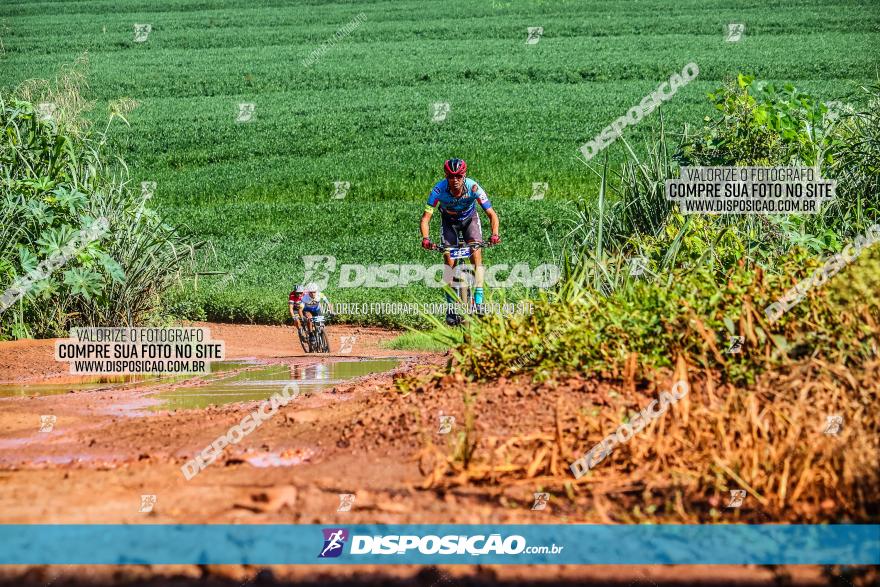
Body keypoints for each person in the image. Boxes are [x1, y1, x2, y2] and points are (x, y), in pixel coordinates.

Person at [419, 158, 500, 324]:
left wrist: (494, 234)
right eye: (450, 176)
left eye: (458, 176)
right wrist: (426, 238)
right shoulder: (438, 190)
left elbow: (492, 214)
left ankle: (478, 302)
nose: (454, 180)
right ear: (446, 176)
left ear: (464, 176)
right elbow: (426, 218)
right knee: (449, 263)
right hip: (449, 223)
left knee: (476, 254)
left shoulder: (474, 187)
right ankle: (450, 309)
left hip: (469, 220)